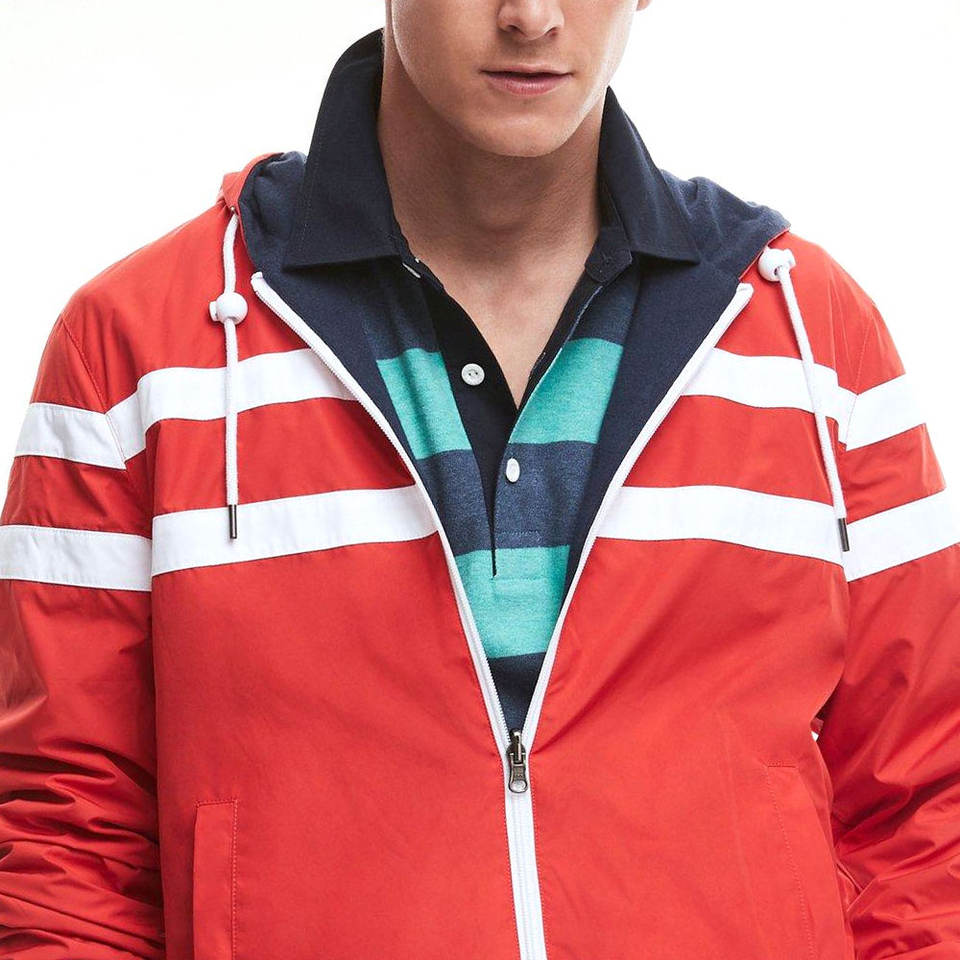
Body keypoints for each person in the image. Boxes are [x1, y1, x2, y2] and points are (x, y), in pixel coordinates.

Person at [1, 2, 958, 958]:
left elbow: (926, 810)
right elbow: (64, 847)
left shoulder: (810, 343)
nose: (531, 17)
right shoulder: (138, 354)